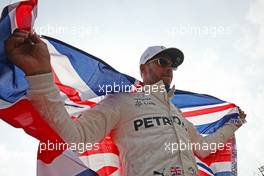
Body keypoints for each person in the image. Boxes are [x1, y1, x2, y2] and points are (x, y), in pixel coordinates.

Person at [5, 29, 246, 176]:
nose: (169, 68)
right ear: (144, 68)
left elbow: (203, 148)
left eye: (172, 64)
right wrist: (40, 75)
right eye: (162, 61)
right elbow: (76, 137)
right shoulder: (122, 101)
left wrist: (232, 124)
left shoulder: (177, 113)